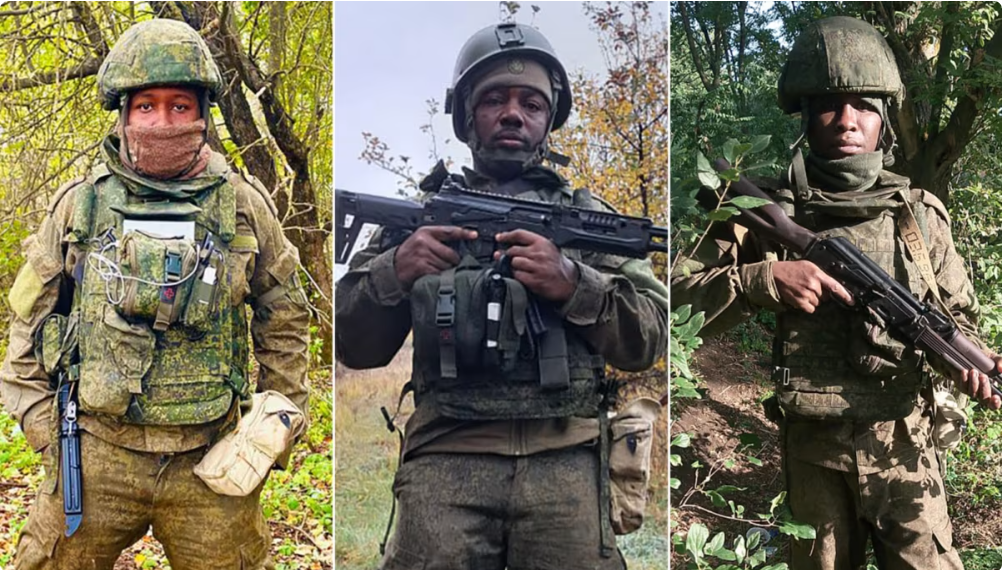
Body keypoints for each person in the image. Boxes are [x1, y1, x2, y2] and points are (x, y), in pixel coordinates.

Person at [673, 15, 1002, 570]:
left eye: (865, 106)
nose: (847, 121)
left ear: (885, 121)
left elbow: (958, 317)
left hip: (906, 452)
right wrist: (763, 281)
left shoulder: (919, 216)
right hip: (813, 458)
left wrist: (967, 364)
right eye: (829, 103)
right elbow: (673, 303)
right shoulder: (764, 213)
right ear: (805, 116)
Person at [336, 21, 668, 570]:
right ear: (468, 114)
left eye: (531, 103)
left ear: (548, 119)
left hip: (567, 461)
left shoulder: (589, 223)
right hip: (446, 461)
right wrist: (395, 271)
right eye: (494, 99)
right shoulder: (421, 221)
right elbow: (354, 346)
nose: (513, 113)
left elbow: (648, 339)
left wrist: (572, 283)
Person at [0, 19, 310, 569]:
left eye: (179, 106)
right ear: (122, 115)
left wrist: (272, 429)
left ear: (203, 115)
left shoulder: (242, 206)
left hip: (210, 464)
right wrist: (48, 434)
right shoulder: (79, 207)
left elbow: (284, 318)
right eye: (146, 106)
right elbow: (26, 324)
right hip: (95, 457)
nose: (162, 122)